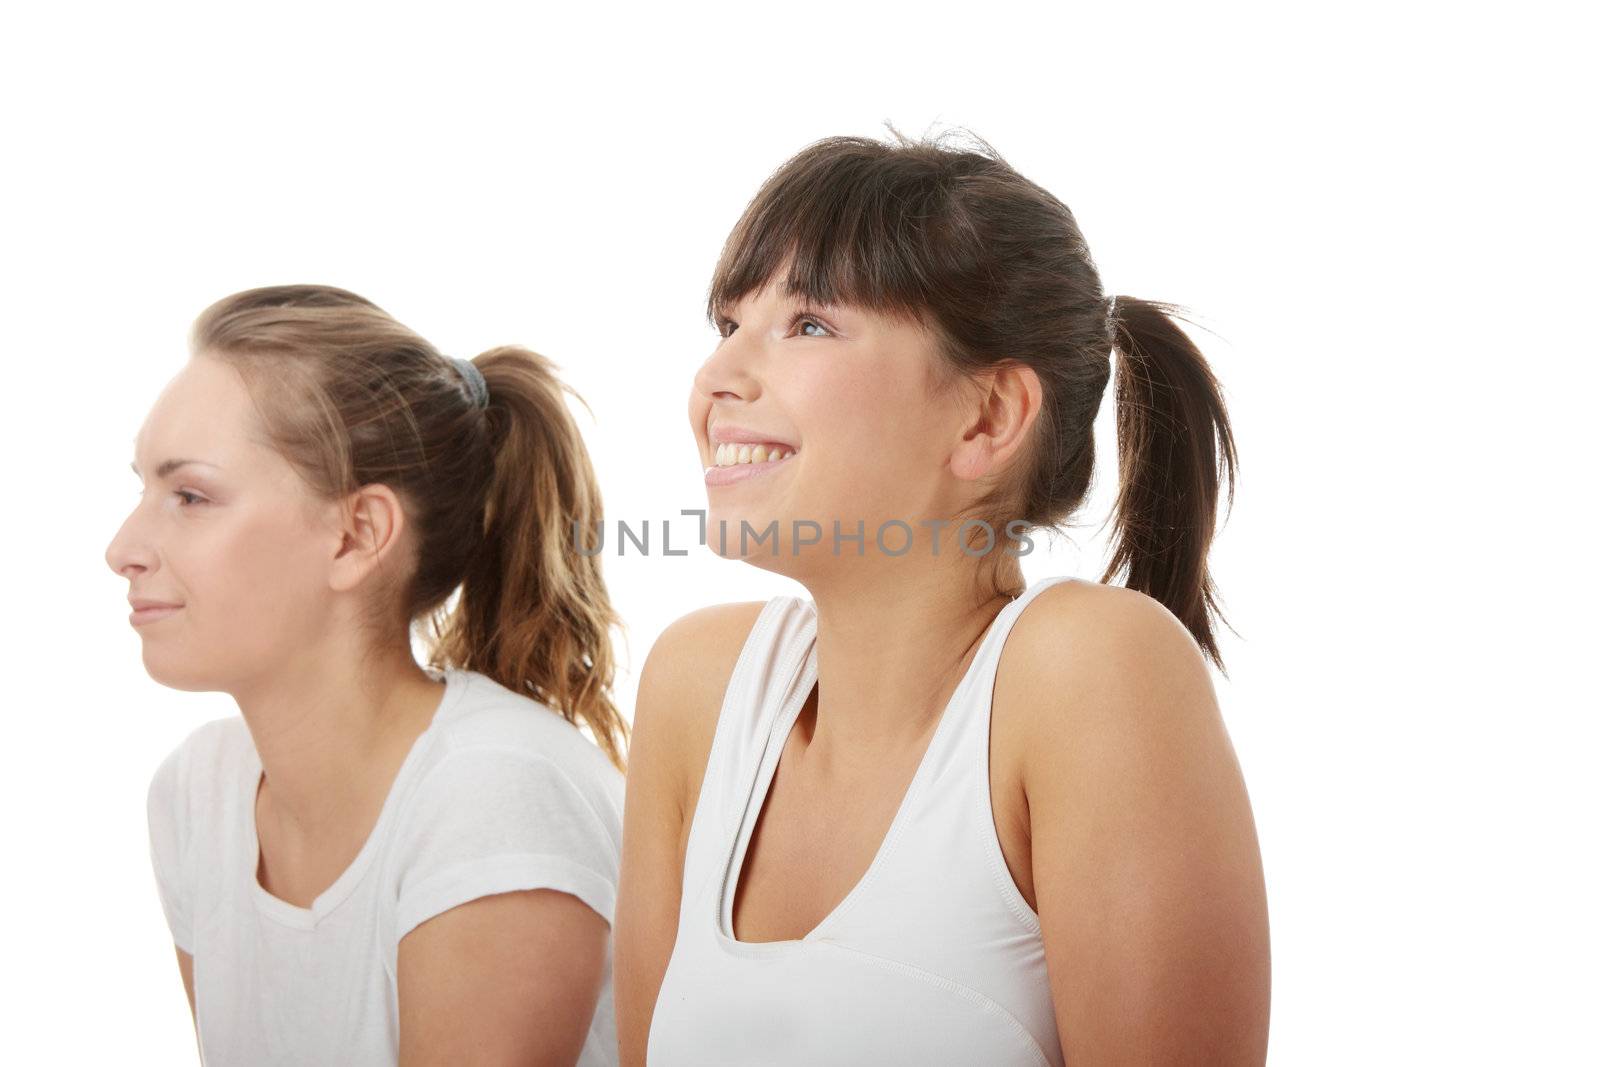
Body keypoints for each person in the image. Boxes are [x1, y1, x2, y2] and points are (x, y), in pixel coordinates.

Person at [615, 131, 1270, 1065]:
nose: (716, 381)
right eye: (728, 325)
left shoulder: (1090, 669)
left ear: (987, 416)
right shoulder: (696, 686)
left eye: (808, 323)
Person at [106, 285, 628, 1065]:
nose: (123, 547)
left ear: (356, 535)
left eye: (190, 495)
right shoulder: (198, 798)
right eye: (142, 489)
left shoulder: (494, 800)